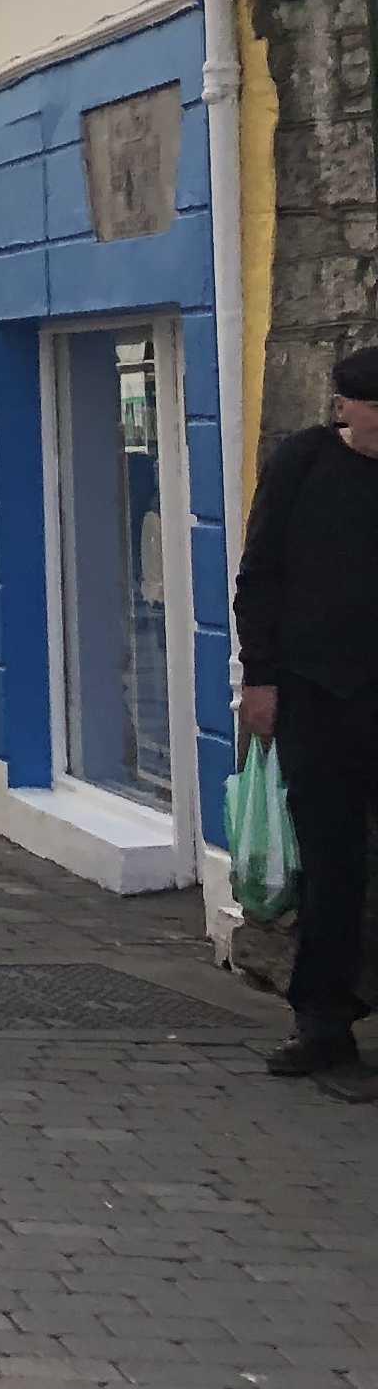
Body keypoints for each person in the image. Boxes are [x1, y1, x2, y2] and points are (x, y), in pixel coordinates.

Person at [231, 345, 378, 1076]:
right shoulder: (305, 462)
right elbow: (259, 572)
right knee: (331, 861)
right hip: (318, 690)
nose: (356, 419)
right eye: (358, 409)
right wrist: (260, 679)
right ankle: (321, 1019)